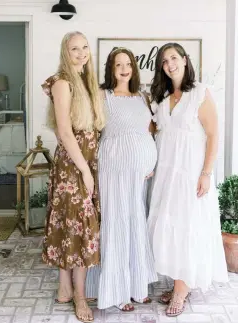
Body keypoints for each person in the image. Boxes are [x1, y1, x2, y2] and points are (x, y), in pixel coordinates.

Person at [147, 43, 228, 317]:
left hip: (191, 174)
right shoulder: (161, 97)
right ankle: (180, 281)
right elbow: (153, 133)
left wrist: (206, 173)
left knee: (187, 228)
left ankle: (181, 291)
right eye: (164, 60)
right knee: (168, 227)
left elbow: (214, 135)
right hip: (167, 175)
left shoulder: (200, 93)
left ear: (184, 60)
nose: (170, 64)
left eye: (173, 58)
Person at [41, 31, 105, 322]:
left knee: (72, 225)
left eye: (84, 47)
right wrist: (84, 171)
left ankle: (65, 287)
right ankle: (79, 296)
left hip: (85, 162)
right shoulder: (63, 83)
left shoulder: (85, 82)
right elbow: (65, 132)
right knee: (78, 227)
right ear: (65, 53)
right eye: (74, 49)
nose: (81, 53)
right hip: (73, 165)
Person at [96, 47, 158, 311]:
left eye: (128, 64)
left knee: (136, 222)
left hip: (140, 173)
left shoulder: (142, 97)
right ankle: (118, 291)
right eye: (118, 64)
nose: (124, 69)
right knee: (117, 222)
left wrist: (149, 159)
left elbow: (150, 131)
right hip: (114, 170)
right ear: (111, 69)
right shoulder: (102, 96)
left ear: (134, 68)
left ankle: (137, 285)